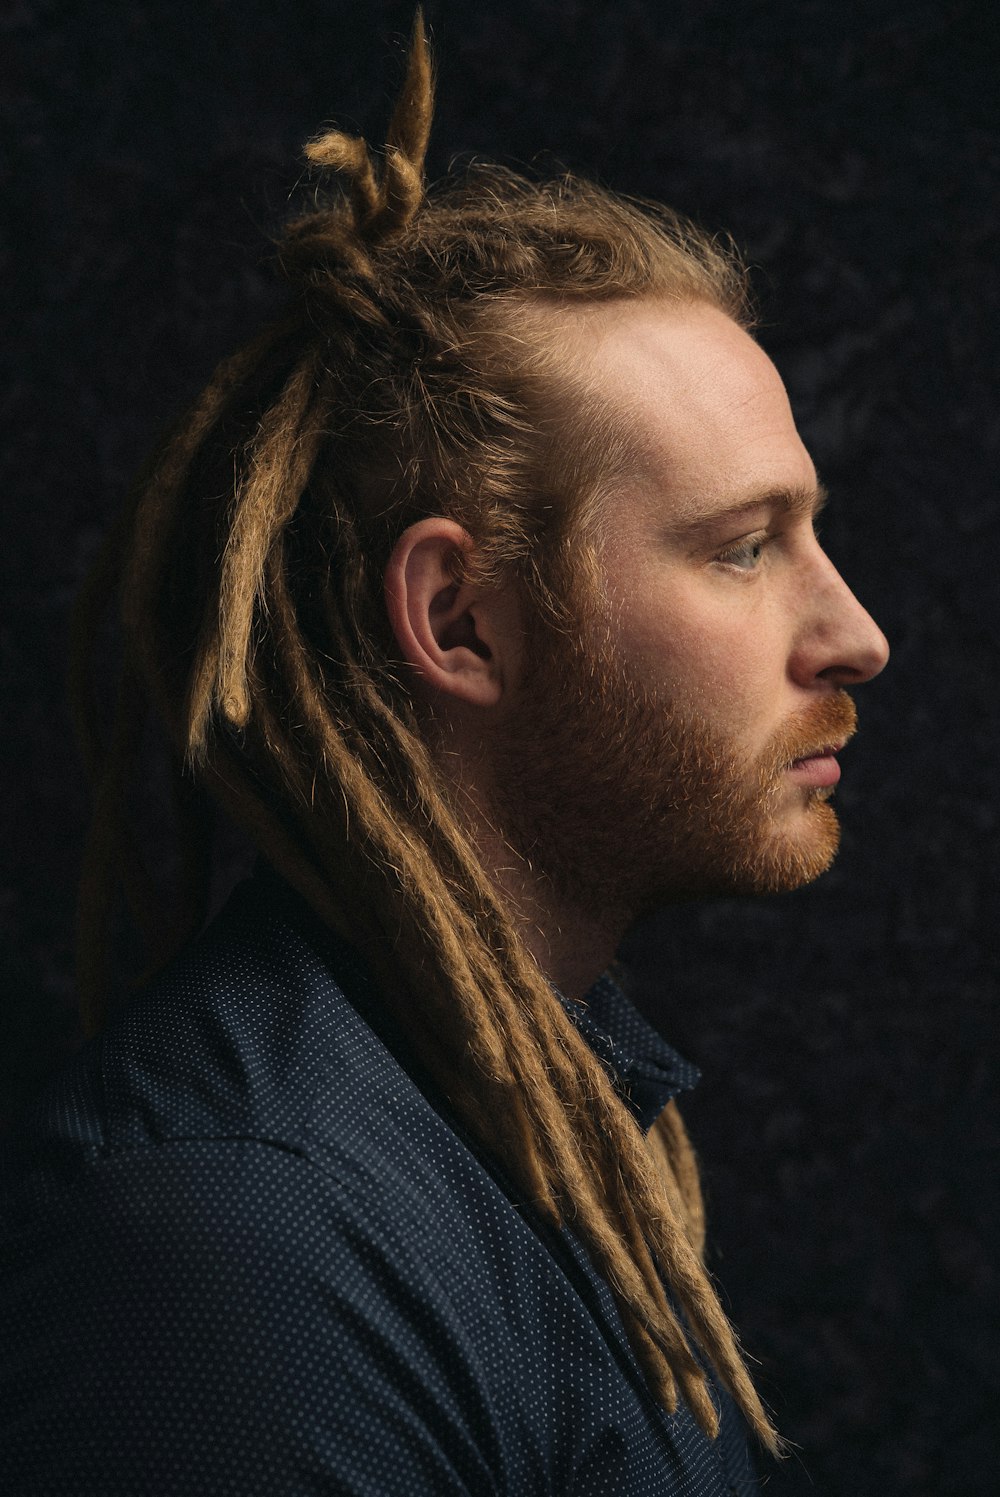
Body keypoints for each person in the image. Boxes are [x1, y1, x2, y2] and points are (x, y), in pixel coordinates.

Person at [0, 15, 889, 1495]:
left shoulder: (556, 1120)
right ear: (460, 619)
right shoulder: (236, 1245)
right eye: (743, 550)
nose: (853, 632)